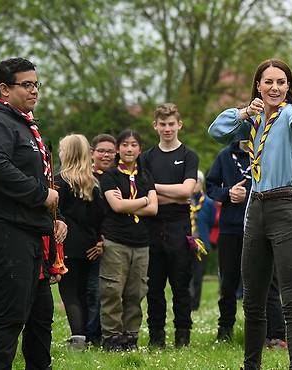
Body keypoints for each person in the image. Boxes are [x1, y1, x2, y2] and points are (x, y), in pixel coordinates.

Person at [209, 58, 292, 370]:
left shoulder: (291, 114)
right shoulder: (250, 121)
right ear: (258, 85)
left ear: (288, 87)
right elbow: (216, 131)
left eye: (281, 82)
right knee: (253, 302)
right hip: (255, 208)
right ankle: (250, 365)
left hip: (285, 207)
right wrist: (244, 112)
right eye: (268, 82)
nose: (274, 88)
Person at [0, 57, 67, 369]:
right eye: (27, 84)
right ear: (4, 89)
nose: (35, 91)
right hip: (0, 232)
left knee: (24, 315)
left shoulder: (20, 123)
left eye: (36, 84)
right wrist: (41, 195)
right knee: (4, 319)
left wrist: (51, 212)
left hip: (24, 232)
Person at [141, 103, 198, 348]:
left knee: (180, 287)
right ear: (155, 125)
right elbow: (144, 195)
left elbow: (188, 191)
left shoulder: (188, 155)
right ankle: (156, 338)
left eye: (171, 124)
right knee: (154, 288)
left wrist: (154, 188)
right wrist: (171, 193)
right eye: (162, 124)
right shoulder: (146, 157)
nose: (167, 129)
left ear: (179, 125)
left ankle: (182, 337)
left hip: (180, 228)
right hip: (152, 227)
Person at [100, 129, 158, 351]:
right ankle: (112, 337)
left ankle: (130, 336)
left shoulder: (146, 177)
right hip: (116, 241)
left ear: (139, 149)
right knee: (112, 290)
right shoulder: (110, 175)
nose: (129, 149)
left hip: (141, 243)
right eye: (125, 145)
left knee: (136, 292)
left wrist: (131, 203)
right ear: (118, 149)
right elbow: (116, 206)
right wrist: (143, 200)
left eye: (134, 145)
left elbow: (153, 209)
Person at [56, 134, 104, 351]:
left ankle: (78, 338)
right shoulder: (93, 184)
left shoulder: (60, 181)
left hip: (67, 245)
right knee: (85, 292)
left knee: (70, 294)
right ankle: (88, 334)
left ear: (68, 153)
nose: (59, 153)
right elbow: (99, 217)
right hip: (89, 246)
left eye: (61, 149)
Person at [206, 140, 251, 342]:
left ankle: (263, 332)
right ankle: (225, 330)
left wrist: (247, 194)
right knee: (228, 283)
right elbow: (210, 185)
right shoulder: (225, 155)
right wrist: (228, 193)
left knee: (260, 283)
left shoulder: (266, 151)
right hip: (230, 228)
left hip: (258, 226)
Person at [86, 133, 117, 345]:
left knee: (107, 292)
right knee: (90, 291)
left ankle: (101, 335)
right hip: (89, 242)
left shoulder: (119, 177)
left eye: (110, 152)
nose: (105, 155)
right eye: (101, 151)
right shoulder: (85, 178)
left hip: (113, 241)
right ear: (92, 153)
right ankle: (87, 335)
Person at [189, 170, 216, 311]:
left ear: (201, 183)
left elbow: (211, 222)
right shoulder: (184, 200)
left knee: (198, 276)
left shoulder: (208, 203)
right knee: (185, 274)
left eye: (197, 181)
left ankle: (195, 304)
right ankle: (186, 302)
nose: (194, 184)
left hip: (201, 243)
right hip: (185, 242)